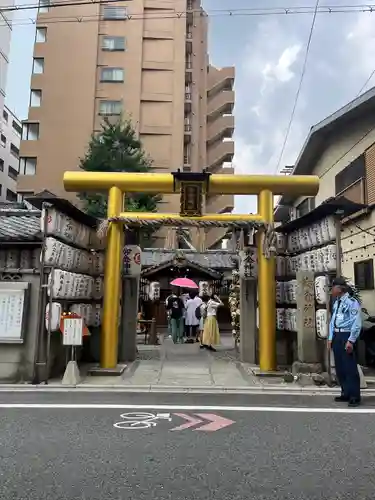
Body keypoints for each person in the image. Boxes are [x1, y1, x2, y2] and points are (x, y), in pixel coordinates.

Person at [328, 276, 362, 407]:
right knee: (340, 367)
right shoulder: (337, 302)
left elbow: (356, 322)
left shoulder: (351, 302)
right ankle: (345, 392)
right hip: (337, 335)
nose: (331, 290)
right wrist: (330, 337)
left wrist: (351, 340)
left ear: (340, 289)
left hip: (347, 336)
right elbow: (332, 322)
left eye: (333, 287)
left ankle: (354, 396)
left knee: (349, 367)